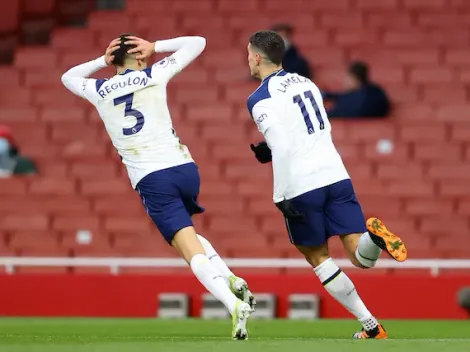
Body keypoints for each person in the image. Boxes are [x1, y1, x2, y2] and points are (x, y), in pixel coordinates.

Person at [61, 34, 254, 339]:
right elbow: (199, 42)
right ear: (138, 58)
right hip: (185, 168)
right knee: (188, 234)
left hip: (152, 177)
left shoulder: (98, 89)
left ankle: (232, 305)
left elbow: (68, 76)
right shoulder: (154, 73)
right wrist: (157, 47)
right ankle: (231, 279)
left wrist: (102, 61)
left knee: (187, 249)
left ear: (114, 60)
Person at [246, 30, 408, 339]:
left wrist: (279, 195)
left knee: (319, 258)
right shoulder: (307, 83)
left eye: (248, 55)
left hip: (301, 185)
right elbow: (310, 128)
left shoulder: (259, 98)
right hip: (335, 174)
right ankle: (373, 240)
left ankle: (372, 326)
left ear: (256, 57)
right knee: (358, 256)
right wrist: (271, 148)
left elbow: (281, 144)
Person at [323, 61, 390, 118]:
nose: (345, 81)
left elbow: (346, 107)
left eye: (348, 78)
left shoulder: (366, 98)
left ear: (355, 79)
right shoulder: (376, 91)